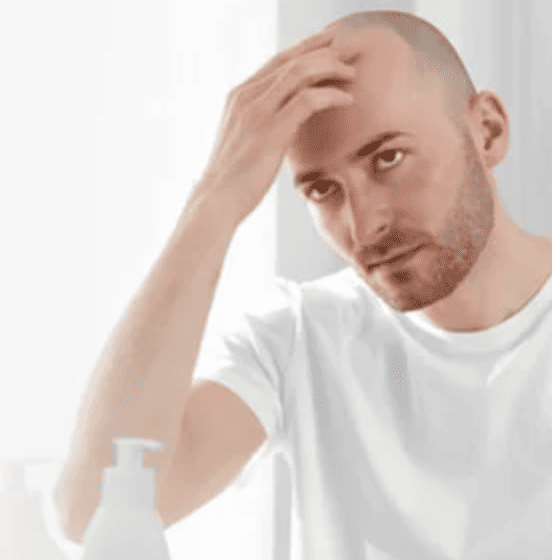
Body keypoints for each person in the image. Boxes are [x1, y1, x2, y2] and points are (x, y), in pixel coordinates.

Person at [55, 9, 552, 559]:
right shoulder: (299, 337)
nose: (364, 226)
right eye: (322, 190)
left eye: (388, 158)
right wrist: (216, 198)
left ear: (488, 132)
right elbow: (93, 513)